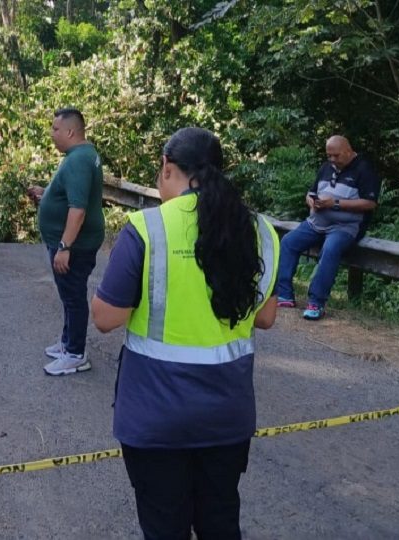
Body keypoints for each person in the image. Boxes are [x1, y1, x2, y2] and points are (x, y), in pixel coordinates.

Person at [91, 127, 279, 540]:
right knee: (220, 523)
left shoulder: (146, 228)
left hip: (157, 420)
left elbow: (105, 318)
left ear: (167, 168)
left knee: (164, 528)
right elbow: (265, 318)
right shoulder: (260, 230)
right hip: (227, 416)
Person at [27, 108, 105, 376]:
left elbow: (78, 209)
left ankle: (75, 354)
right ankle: (67, 342)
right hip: (75, 242)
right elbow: (72, 193)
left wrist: (64, 247)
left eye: (55, 129)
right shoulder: (83, 154)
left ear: (71, 131)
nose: (52, 134)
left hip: (76, 246)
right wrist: (45, 193)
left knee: (73, 296)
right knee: (68, 295)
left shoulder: (78, 161)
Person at [275, 135, 381, 320]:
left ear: (348, 151)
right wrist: (312, 202)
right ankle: (284, 294)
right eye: (329, 155)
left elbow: (370, 203)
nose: (332, 159)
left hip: (345, 227)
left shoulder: (364, 170)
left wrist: (335, 204)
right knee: (288, 242)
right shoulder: (326, 167)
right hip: (315, 222)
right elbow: (311, 193)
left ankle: (316, 302)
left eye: (336, 156)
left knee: (330, 249)